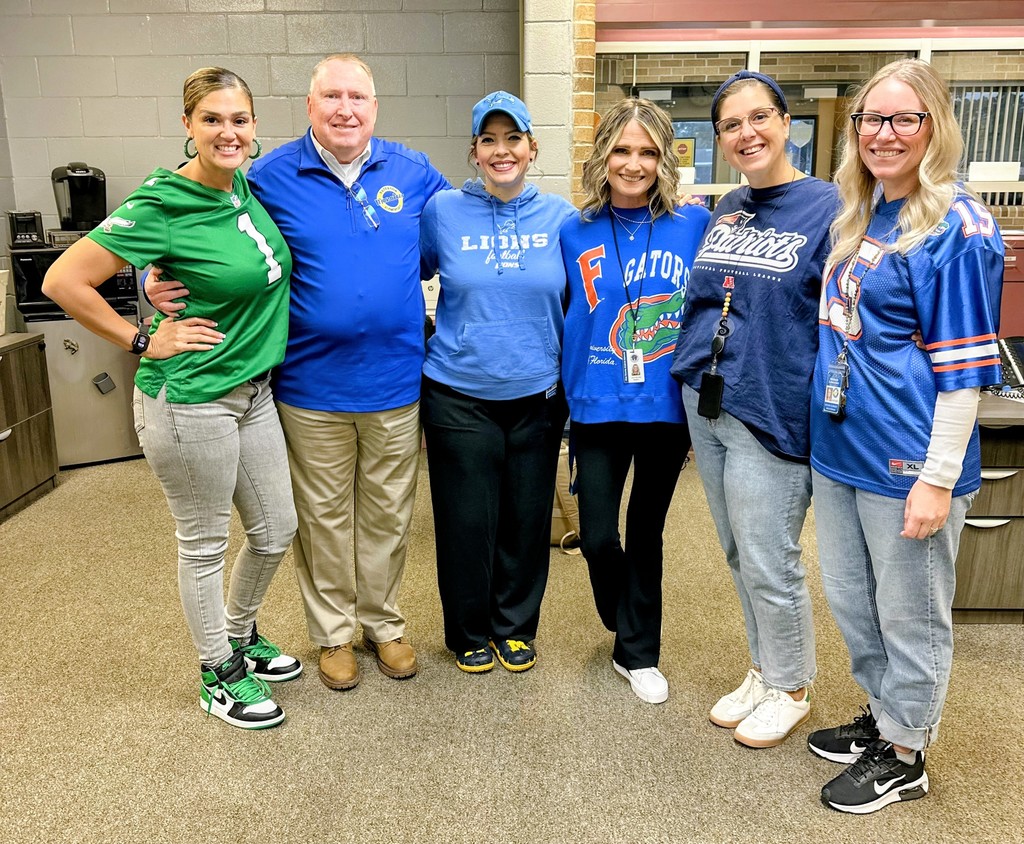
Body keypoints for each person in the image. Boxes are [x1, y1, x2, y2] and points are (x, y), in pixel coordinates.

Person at [148, 55, 450, 691]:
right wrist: (157, 281)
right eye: (332, 96)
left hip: (396, 379)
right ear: (309, 107)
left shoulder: (415, 172)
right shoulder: (270, 177)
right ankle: (334, 633)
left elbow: (451, 239)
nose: (346, 109)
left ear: (376, 107)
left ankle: (384, 622)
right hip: (310, 386)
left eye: (359, 97)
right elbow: (215, 239)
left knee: (389, 514)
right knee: (321, 517)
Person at [42, 67, 300, 730]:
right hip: (191, 400)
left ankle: (239, 637)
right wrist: (139, 338)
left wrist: (157, 280)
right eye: (211, 119)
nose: (228, 131)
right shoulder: (162, 201)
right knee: (205, 541)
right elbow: (64, 280)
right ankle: (217, 673)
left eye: (238, 119)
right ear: (187, 126)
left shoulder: (242, 184)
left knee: (276, 530)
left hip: (251, 390)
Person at [808, 58, 1003, 814]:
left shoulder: (957, 227)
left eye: (903, 120)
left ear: (934, 128)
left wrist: (936, 476)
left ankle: (907, 750)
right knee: (855, 602)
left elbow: (963, 375)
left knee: (910, 612)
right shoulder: (866, 211)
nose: (883, 135)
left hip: (908, 461)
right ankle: (882, 714)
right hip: (843, 450)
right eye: (871, 121)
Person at [669, 71, 838, 745]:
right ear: (718, 139)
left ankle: (792, 685)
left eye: (759, 117)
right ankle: (766, 668)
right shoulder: (729, 206)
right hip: (709, 400)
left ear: (786, 121)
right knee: (739, 552)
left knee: (771, 556)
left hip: (775, 409)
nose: (748, 133)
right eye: (731, 125)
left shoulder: (830, 207)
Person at [418, 92, 575, 673]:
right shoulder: (442, 212)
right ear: (474, 151)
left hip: (537, 392)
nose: (502, 150)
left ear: (532, 148)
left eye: (514, 139)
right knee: (466, 521)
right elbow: (400, 272)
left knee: (527, 520)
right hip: (458, 391)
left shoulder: (562, 218)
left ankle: (514, 627)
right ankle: (467, 632)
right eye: (490, 140)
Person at [560, 98, 710, 704]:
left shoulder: (692, 224)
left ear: (665, 159)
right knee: (597, 536)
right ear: (603, 156)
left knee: (645, 531)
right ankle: (622, 613)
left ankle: (638, 652)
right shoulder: (574, 229)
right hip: (595, 403)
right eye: (622, 150)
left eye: (648, 152)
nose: (634, 163)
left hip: (664, 408)